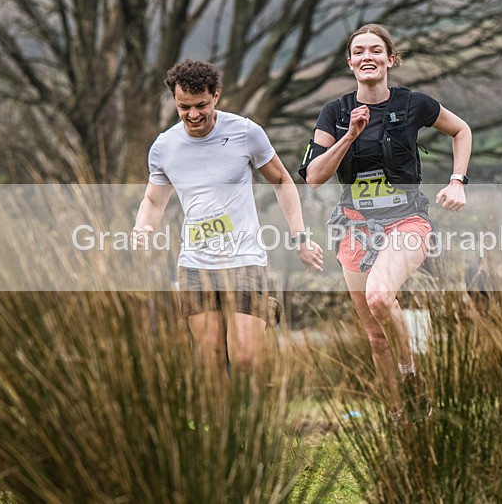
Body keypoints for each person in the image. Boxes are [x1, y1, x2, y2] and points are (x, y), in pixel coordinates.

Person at [300, 24, 471, 424]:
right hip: (355, 226)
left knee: (380, 298)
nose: (367, 57)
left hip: (406, 221)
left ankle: (411, 378)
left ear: (390, 60)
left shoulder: (414, 104)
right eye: (358, 51)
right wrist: (348, 137)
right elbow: (312, 176)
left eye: (375, 50)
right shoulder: (335, 112)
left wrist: (457, 182)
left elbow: (461, 130)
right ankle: (400, 418)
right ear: (350, 63)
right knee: (376, 336)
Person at [133, 60, 323, 409]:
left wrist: (299, 237)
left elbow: (282, 180)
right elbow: (153, 199)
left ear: (215, 97)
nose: (192, 115)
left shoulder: (245, 133)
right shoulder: (164, 146)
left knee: (245, 358)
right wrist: (143, 227)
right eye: (183, 107)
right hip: (195, 264)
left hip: (244, 259)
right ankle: (226, 442)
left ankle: (263, 313)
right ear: (175, 101)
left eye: (201, 106)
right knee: (210, 360)